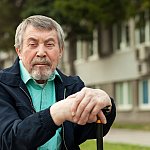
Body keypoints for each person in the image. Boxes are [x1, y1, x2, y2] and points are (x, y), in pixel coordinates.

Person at [0, 15, 116, 150]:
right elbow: (8, 140)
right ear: (19, 51)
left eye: (49, 44)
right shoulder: (3, 84)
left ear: (60, 51)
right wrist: (55, 114)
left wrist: (106, 106)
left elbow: (87, 131)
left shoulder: (73, 86)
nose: (41, 53)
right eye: (33, 44)